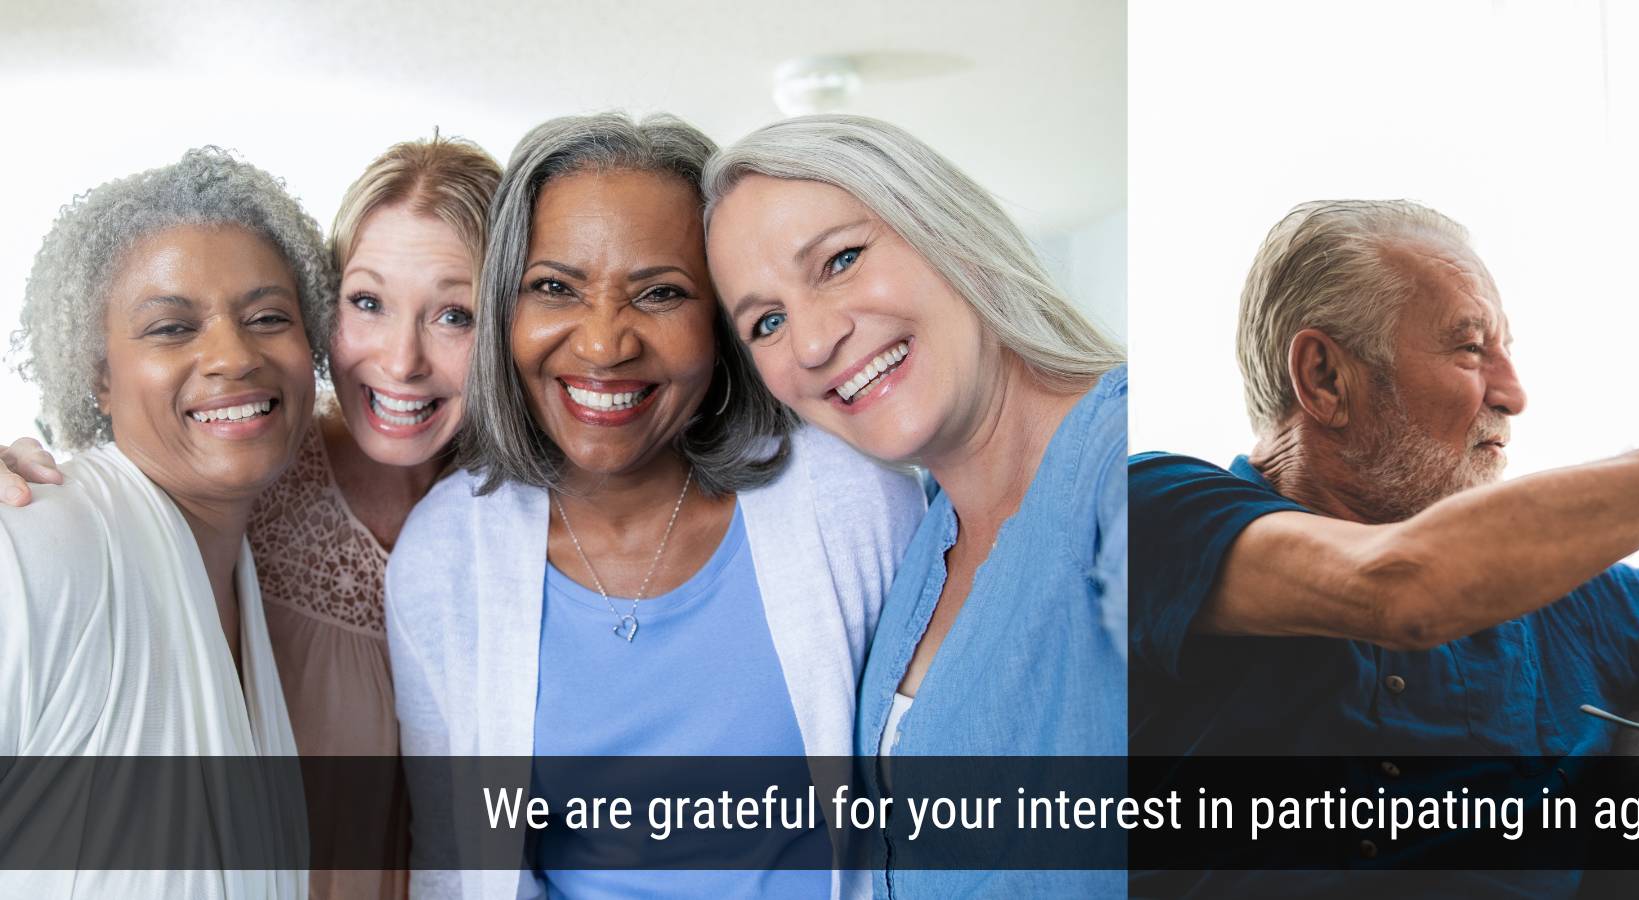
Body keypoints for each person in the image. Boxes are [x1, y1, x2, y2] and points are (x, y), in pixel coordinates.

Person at [1128, 198, 1639, 896]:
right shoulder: (1155, 510)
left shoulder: (1565, 599)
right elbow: (1398, 587)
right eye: (1471, 349)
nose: (1513, 392)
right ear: (1326, 377)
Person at [384, 113, 922, 900]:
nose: (605, 345)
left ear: (720, 321)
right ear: (506, 310)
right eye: (555, 288)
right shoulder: (444, 558)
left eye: (661, 293)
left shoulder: (850, 499)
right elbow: (453, 862)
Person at [0, 136, 503, 899]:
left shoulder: (531, 516)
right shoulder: (63, 534)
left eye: (456, 315)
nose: (402, 361)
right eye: (367, 302)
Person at [701, 114, 1126, 897]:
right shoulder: (923, 534)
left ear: (946, 230)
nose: (813, 342)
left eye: (841, 260)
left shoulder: (1121, 470)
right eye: (767, 322)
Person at [0, 147, 323, 898]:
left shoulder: (246, 572)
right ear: (99, 377)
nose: (233, 357)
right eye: (172, 328)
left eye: (269, 317)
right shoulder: (38, 545)